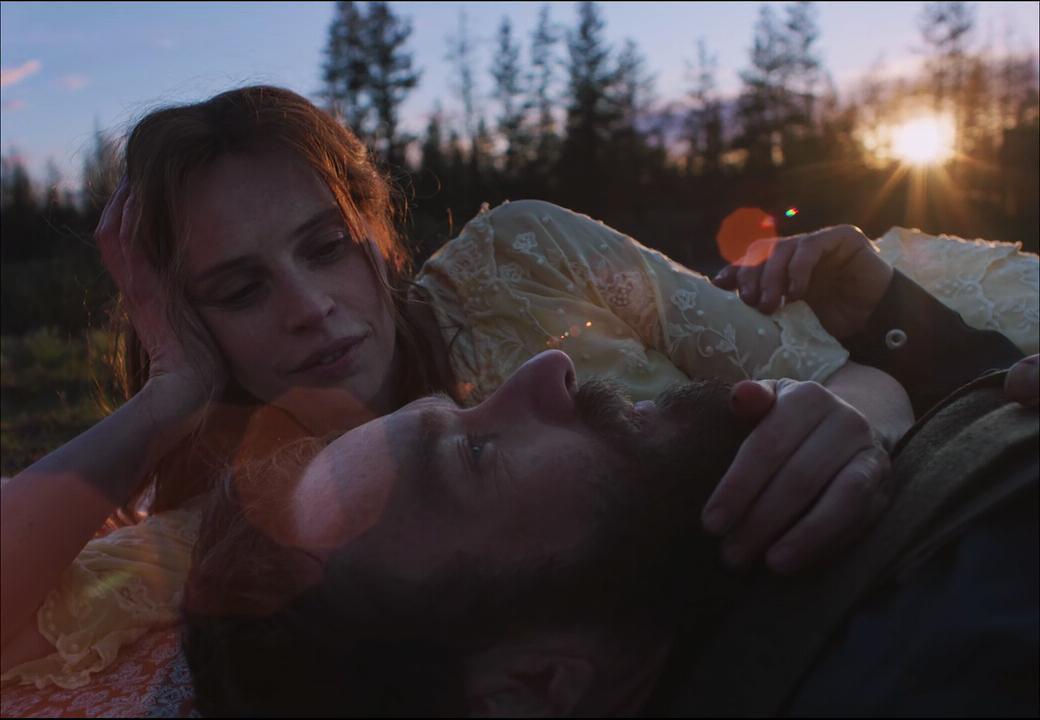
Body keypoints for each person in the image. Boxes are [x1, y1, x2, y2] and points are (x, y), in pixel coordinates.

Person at [0, 83, 1032, 688]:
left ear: (372, 233)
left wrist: (841, 421)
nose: (310, 306)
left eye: (324, 246)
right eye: (239, 289)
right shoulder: (268, 521)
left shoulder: (524, 257)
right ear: (187, 321)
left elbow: (851, 373)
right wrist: (170, 393)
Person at [179, 349, 1038, 717]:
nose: (544, 369)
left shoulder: (745, 599)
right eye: (475, 453)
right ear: (529, 690)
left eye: (465, 408)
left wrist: (875, 421)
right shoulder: (956, 648)